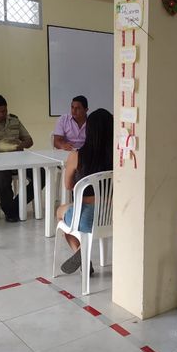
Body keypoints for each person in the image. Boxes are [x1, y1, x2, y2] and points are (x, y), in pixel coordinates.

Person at [56, 108, 114, 275]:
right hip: (112, 216)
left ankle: (80, 253)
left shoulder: (76, 156)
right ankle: (82, 255)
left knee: (60, 213)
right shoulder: (119, 157)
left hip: (86, 218)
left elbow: (68, 185)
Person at [0, 94, 45, 221]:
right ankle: (10, 211)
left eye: (4, 111)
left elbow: (29, 141)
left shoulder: (14, 120)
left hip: (18, 160)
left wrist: (19, 145)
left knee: (41, 173)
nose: (1, 114)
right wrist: (3, 147)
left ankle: (14, 206)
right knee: (3, 177)